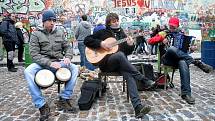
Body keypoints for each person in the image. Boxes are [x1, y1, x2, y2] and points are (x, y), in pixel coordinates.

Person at [84, 13, 155, 118]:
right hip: (106, 63)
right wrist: (101, 44)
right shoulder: (103, 32)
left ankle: (138, 107)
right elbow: (87, 40)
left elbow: (128, 51)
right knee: (120, 55)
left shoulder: (123, 34)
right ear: (108, 23)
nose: (116, 22)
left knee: (129, 75)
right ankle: (143, 79)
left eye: (117, 20)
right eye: (113, 21)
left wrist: (130, 45)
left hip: (122, 65)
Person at [24, 10, 79, 121]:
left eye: (54, 20)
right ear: (43, 21)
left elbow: (68, 47)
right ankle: (41, 105)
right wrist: (49, 63)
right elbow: (34, 54)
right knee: (28, 71)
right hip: (43, 63)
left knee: (74, 68)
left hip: (59, 61)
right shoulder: (36, 34)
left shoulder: (59, 32)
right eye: (49, 20)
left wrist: (68, 57)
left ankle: (64, 98)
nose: (52, 22)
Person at [148, 17, 213, 105]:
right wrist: (161, 40)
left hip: (179, 60)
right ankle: (197, 63)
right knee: (171, 48)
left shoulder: (183, 35)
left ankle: (186, 94)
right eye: (170, 26)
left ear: (178, 26)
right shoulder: (163, 33)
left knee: (183, 62)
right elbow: (150, 41)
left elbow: (186, 52)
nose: (171, 29)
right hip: (167, 59)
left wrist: (191, 49)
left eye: (174, 27)